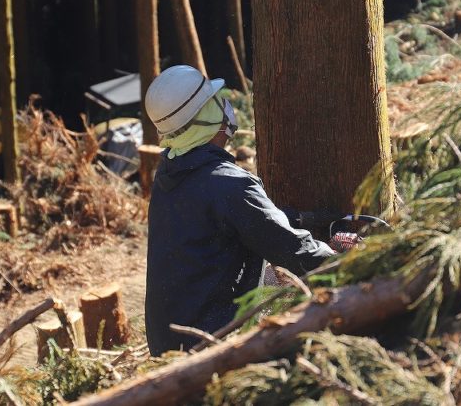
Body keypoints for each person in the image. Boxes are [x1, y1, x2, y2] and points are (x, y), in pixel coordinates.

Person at [143, 64, 342, 355]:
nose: (225, 106)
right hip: (213, 346)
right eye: (215, 102)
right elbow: (296, 253)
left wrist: (300, 218)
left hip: (166, 346)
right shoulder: (230, 185)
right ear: (205, 117)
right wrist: (352, 259)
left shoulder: (171, 176)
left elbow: (228, 221)